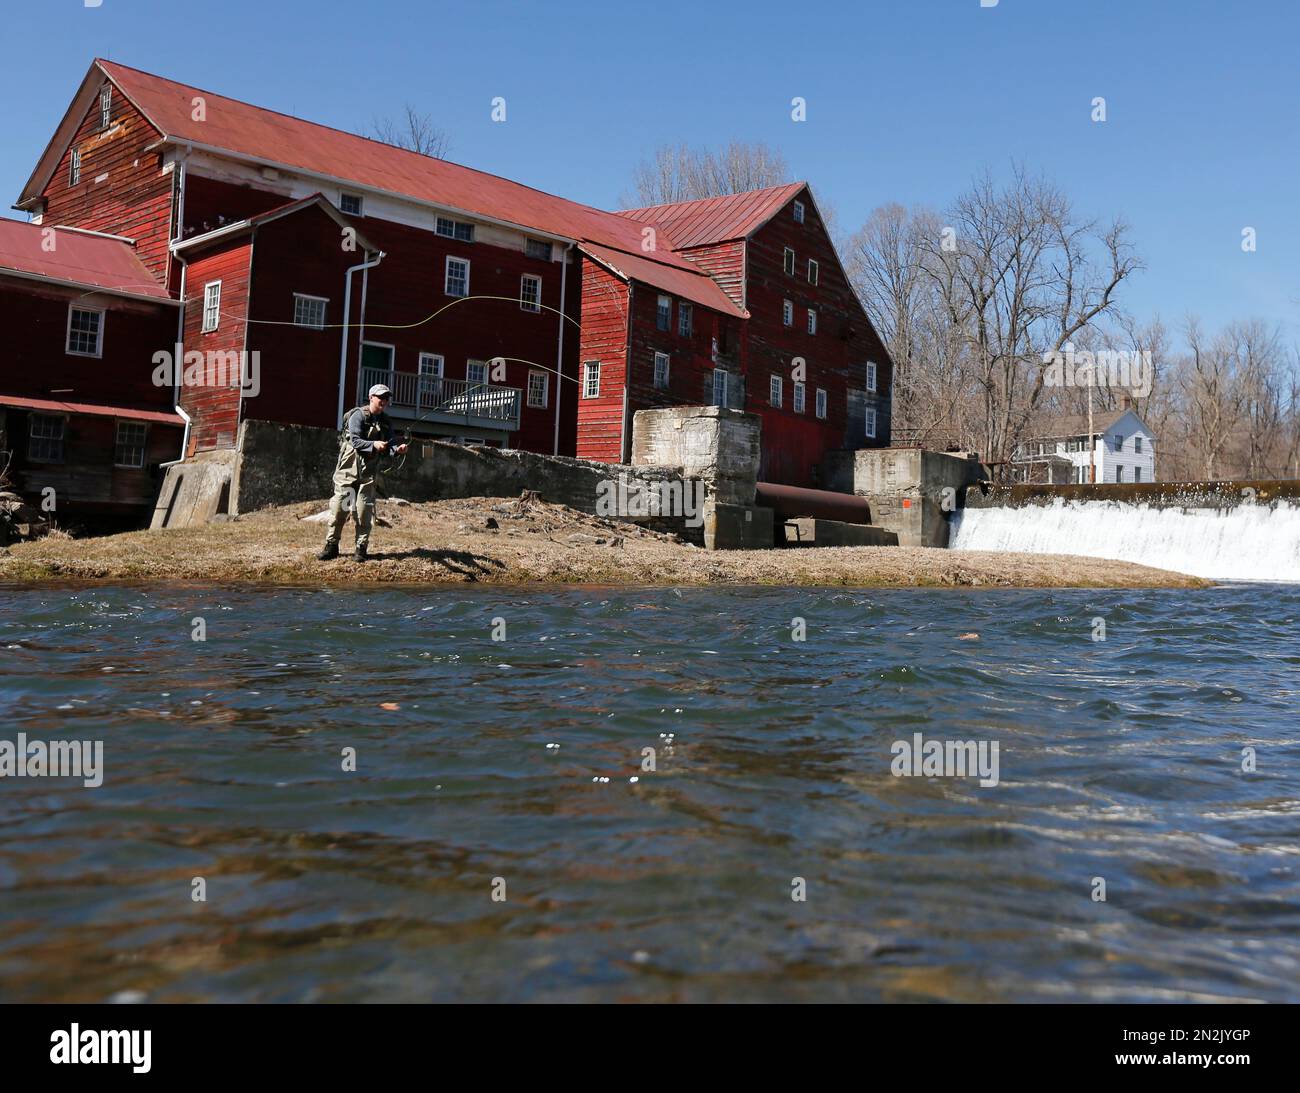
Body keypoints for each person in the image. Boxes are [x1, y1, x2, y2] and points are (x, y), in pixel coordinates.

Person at [317, 384, 408, 561]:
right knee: (340, 508)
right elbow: (356, 441)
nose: (384, 400)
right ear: (371, 397)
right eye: (381, 397)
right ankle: (332, 546)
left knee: (364, 510)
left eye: (387, 397)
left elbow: (390, 444)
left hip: (368, 472)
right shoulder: (357, 415)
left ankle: (361, 549)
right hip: (348, 470)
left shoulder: (386, 421)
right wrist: (373, 444)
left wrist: (398, 450)